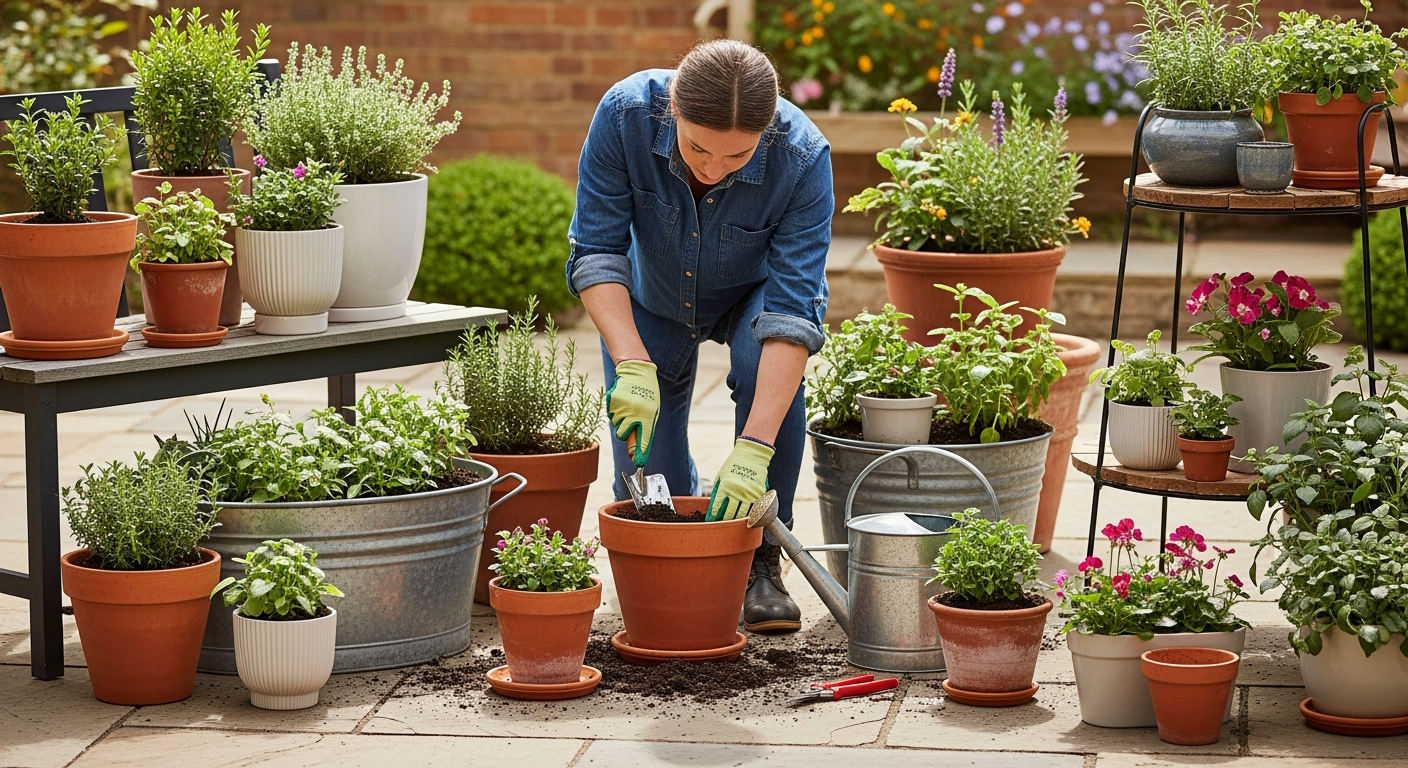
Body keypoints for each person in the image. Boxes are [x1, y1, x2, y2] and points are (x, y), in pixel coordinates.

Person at [566, 39, 832, 634]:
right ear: (673, 111)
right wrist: (631, 362)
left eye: (738, 155)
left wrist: (755, 450)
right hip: (654, 296)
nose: (712, 168)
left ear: (766, 132)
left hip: (755, 300)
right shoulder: (625, 116)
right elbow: (597, 250)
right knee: (650, 482)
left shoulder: (803, 156)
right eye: (697, 148)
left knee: (764, 375)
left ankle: (762, 561)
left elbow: (792, 314)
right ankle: (679, 540)